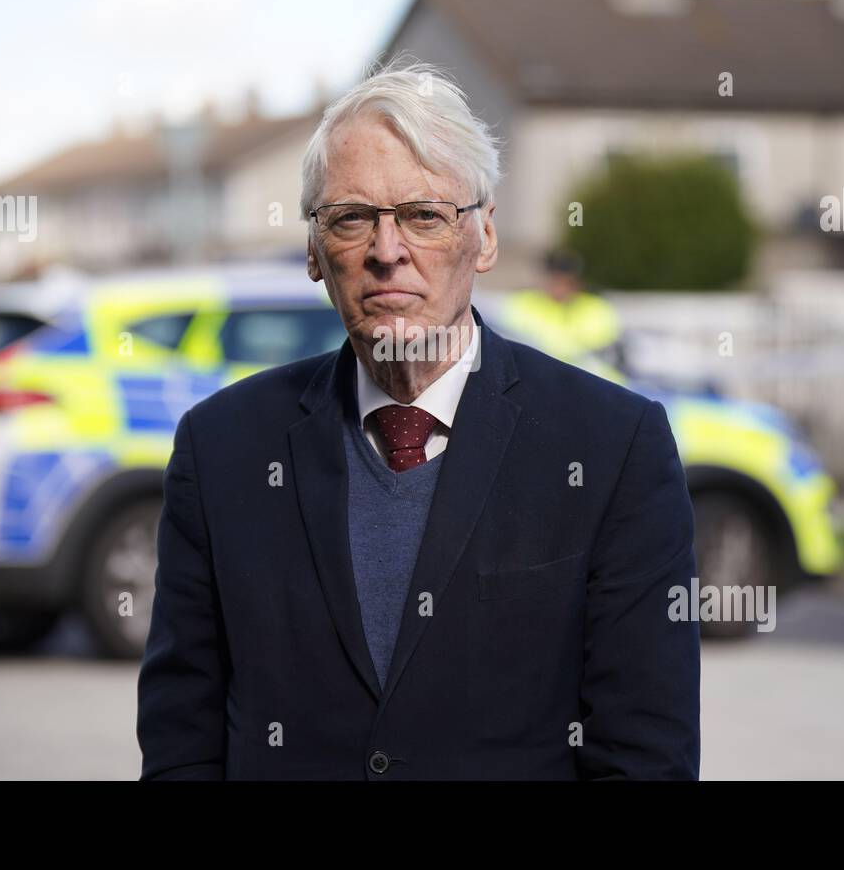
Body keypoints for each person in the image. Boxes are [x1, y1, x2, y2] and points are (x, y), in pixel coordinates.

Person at [136, 59, 700, 780]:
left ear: (485, 237)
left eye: (424, 215)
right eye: (351, 218)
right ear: (313, 250)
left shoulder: (612, 448)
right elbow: (182, 740)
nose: (386, 251)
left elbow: (645, 756)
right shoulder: (221, 450)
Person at [500, 247, 624, 368]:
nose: (559, 287)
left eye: (566, 281)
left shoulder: (595, 307)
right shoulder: (523, 303)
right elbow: (511, 339)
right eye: (554, 279)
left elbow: (599, 351)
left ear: (578, 281)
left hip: (588, 377)